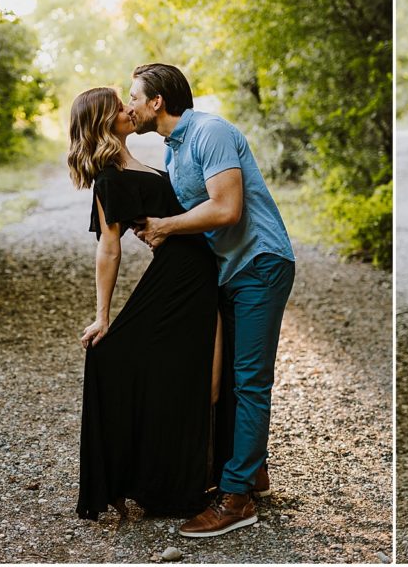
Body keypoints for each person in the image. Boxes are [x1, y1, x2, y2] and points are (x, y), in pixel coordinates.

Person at [125, 63, 296, 539]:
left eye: (133, 96)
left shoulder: (211, 132)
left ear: (157, 101)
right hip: (229, 271)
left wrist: (165, 226)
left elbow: (227, 208)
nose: (129, 105)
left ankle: (237, 498)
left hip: (260, 263)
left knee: (250, 381)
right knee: (228, 380)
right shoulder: (176, 151)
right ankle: (252, 472)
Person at [67, 87, 221, 521]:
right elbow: (109, 248)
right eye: (117, 106)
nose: (127, 109)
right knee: (118, 357)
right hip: (178, 277)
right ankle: (126, 479)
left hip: (191, 272)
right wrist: (102, 316)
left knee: (184, 375)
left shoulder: (142, 163)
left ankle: (179, 477)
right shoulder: (110, 178)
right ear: (101, 121)